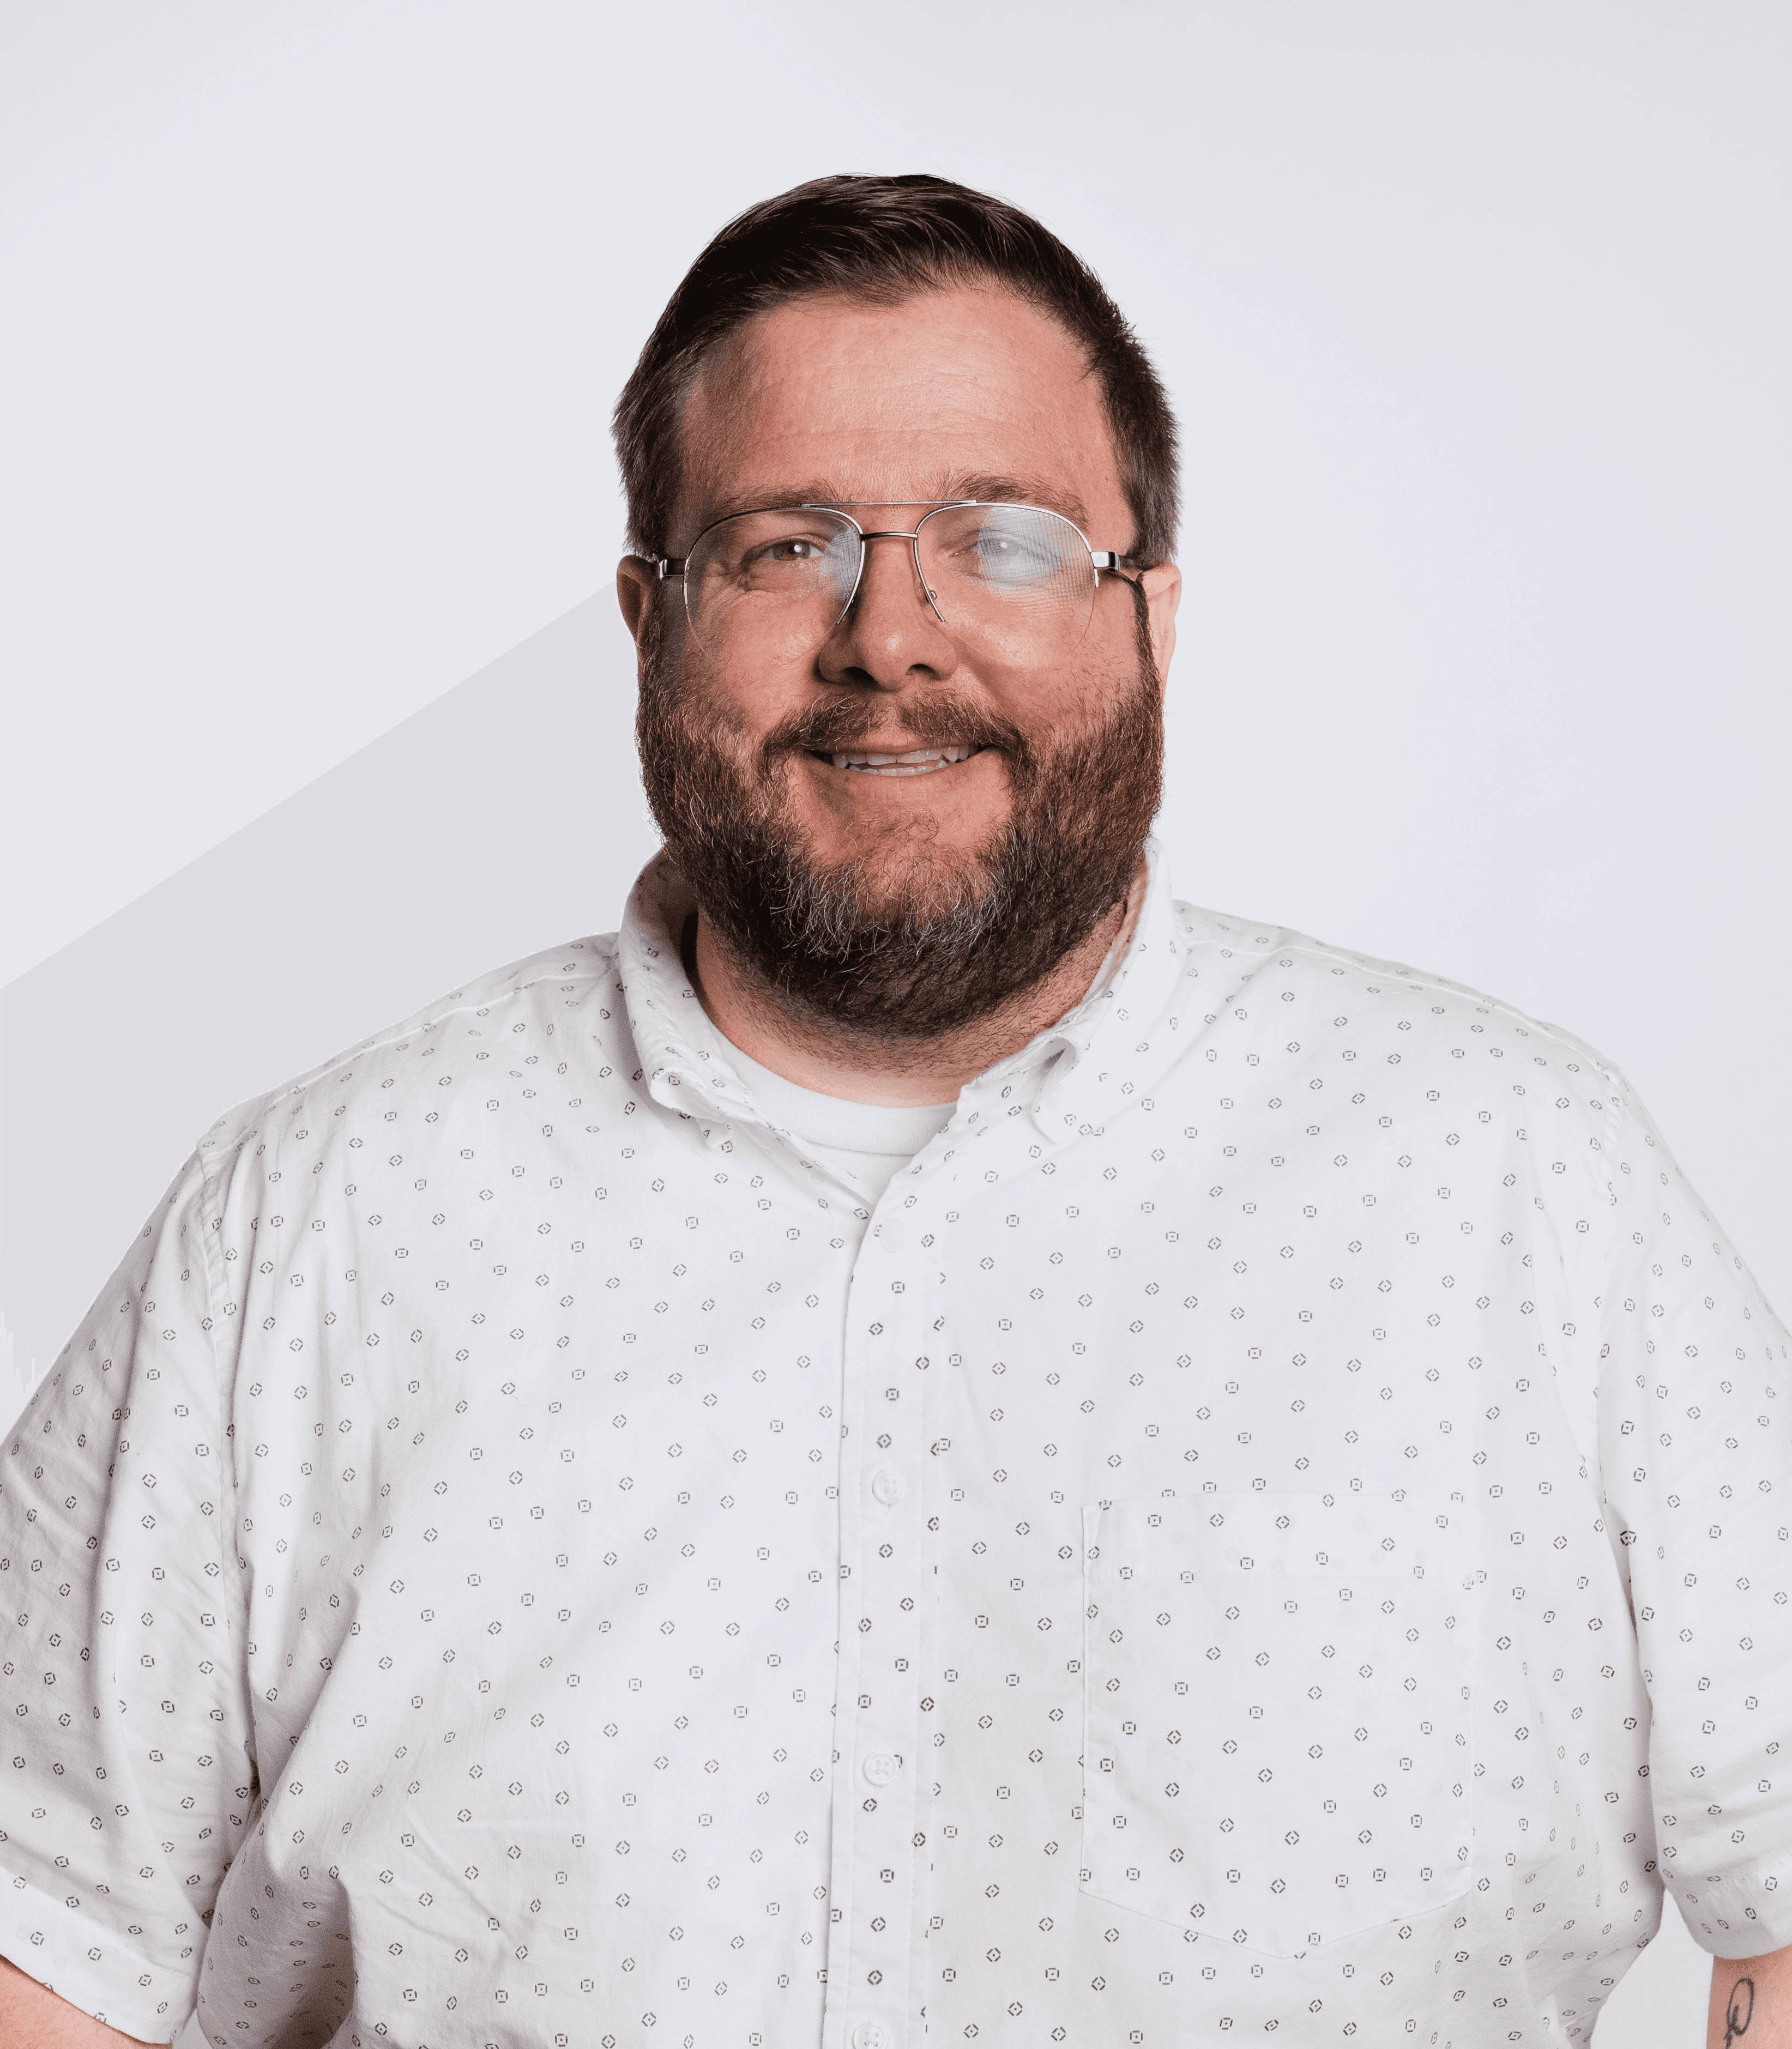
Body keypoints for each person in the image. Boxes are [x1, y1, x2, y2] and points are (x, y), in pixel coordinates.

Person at [0, 173, 1786, 2049]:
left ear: (1150, 617)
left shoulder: (1516, 1178)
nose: (892, 637)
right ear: (647, 618)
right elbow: (47, 1943)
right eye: (786, 546)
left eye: (1001, 539)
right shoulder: (314, 1220)